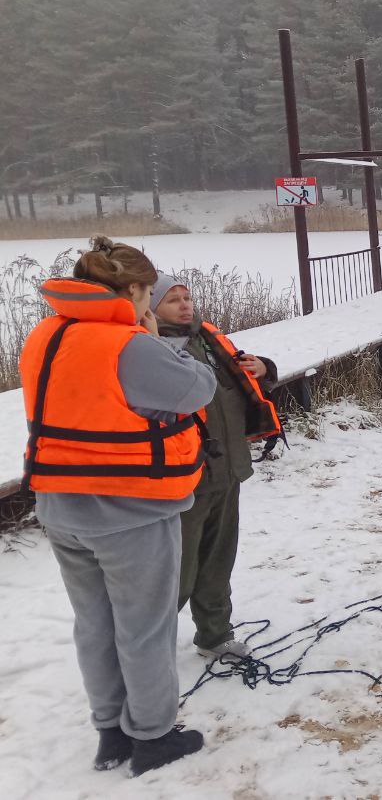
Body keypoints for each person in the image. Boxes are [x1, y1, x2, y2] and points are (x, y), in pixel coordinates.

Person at [19, 237, 216, 775]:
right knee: (144, 626)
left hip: (60, 504)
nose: (150, 304)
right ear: (132, 289)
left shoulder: (46, 333)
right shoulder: (129, 344)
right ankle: (152, 737)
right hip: (130, 508)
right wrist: (155, 340)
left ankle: (110, 732)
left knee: (94, 623)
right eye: (148, 293)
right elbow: (198, 389)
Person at [151, 273, 281, 661]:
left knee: (218, 561)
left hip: (226, 469)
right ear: (151, 307)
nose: (184, 304)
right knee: (178, 572)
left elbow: (241, 383)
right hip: (185, 479)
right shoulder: (148, 348)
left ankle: (215, 634)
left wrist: (264, 368)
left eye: (187, 297)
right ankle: (145, 652)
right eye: (172, 299)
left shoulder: (206, 338)